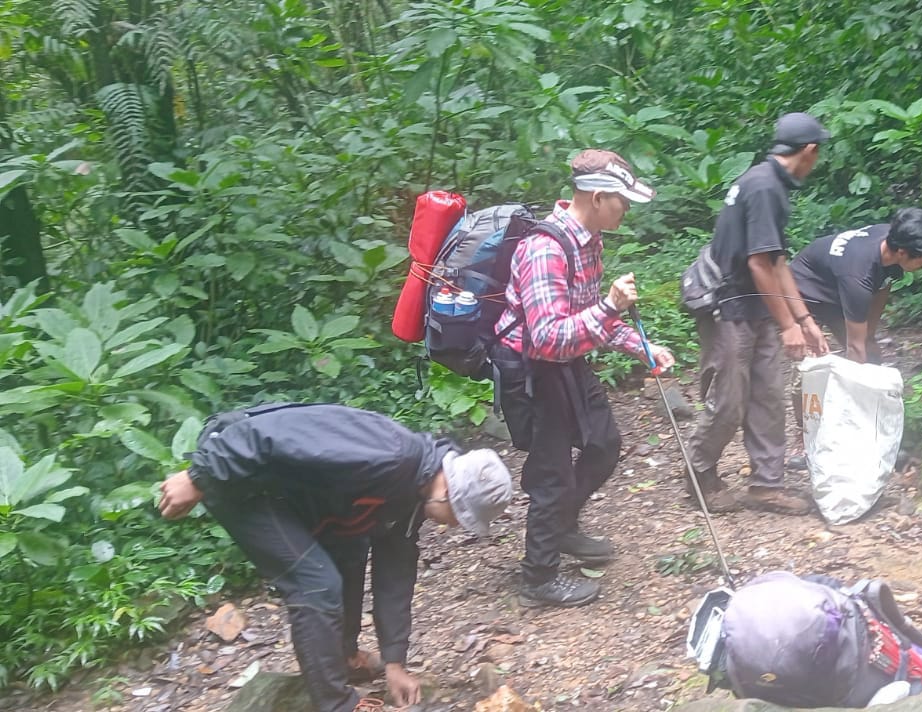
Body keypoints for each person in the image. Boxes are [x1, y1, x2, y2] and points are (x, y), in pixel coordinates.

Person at [156, 403, 514, 712]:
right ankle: (336, 703)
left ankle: (344, 656)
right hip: (242, 477)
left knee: (351, 548)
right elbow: (263, 433)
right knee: (315, 583)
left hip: (293, 497)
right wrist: (198, 477)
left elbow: (395, 575)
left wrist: (395, 662)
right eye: (459, 516)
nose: (453, 526)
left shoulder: (414, 493)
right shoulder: (387, 452)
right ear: (449, 490)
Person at [489, 149, 675, 607]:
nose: (626, 210)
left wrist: (642, 348)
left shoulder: (590, 240)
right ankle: (538, 578)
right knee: (551, 472)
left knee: (603, 444)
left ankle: (563, 527)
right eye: (622, 202)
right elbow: (547, 336)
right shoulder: (544, 249)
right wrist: (610, 306)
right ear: (596, 197)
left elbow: (590, 319)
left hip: (568, 359)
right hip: (533, 368)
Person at [687, 112, 830, 516]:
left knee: (768, 394)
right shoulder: (765, 187)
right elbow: (757, 265)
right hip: (729, 303)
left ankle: (766, 485)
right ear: (809, 151)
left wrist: (804, 320)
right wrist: (788, 326)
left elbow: (777, 260)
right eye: (817, 156)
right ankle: (701, 477)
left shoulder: (770, 183)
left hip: (756, 304)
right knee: (730, 399)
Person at [789, 207, 922, 362]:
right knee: (808, 355)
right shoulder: (858, 275)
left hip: (837, 286)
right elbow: (855, 346)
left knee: (870, 356)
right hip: (803, 288)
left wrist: (869, 335)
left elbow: (883, 285)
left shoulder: (895, 240)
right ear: (902, 253)